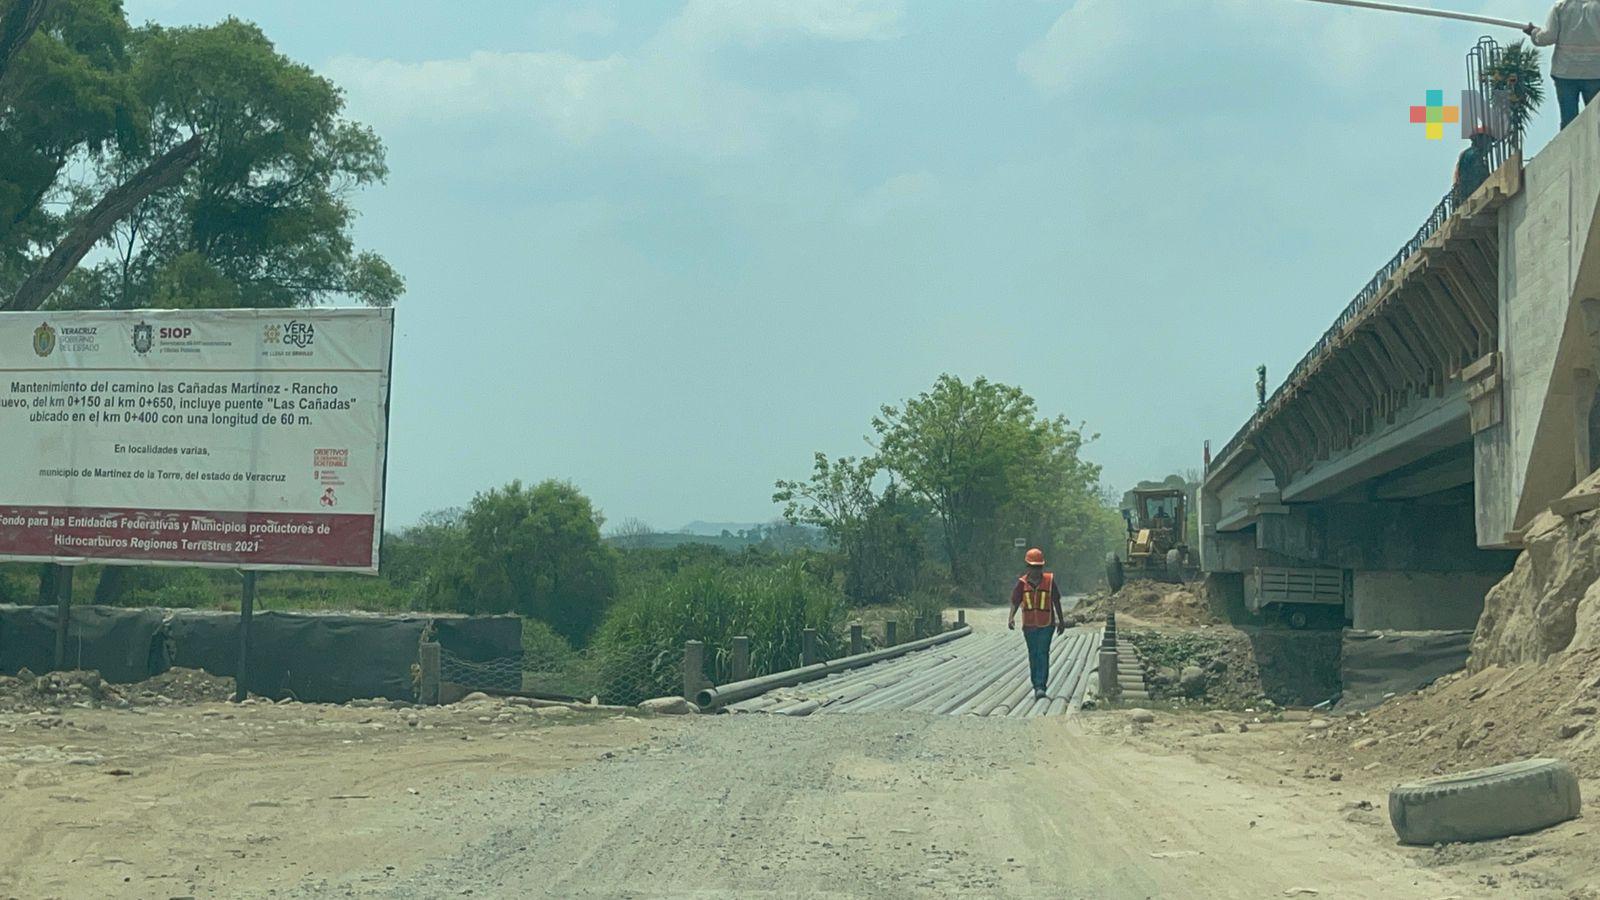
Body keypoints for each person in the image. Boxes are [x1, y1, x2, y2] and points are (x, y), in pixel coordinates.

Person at [1525, 1, 1600, 128]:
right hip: (1595, 71)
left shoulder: (1560, 7)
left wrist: (1534, 33)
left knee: (1569, 121)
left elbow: (1548, 37)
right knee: (1597, 119)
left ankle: (1573, 147)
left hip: (1565, 71)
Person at [1008, 547, 1067, 700]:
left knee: (1042, 653)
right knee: (1033, 654)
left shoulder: (1049, 581)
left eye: (1038, 567)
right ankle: (1036, 684)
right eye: (1033, 567)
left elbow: (1056, 601)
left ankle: (1041, 686)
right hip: (1029, 626)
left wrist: (1061, 621)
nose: (1036, 570)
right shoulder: (1021, 583)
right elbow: (1015, 601)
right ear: (1027, 567)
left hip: (1046, 625)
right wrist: (1011, 617)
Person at [1454, 128, 1492, 204]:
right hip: (1471, 192)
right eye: (1488, 142)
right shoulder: (1475, 155)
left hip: (1465, 194)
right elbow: (1479, 175)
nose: (1489, 146)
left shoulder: (1467, 153)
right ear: (1479, 141)